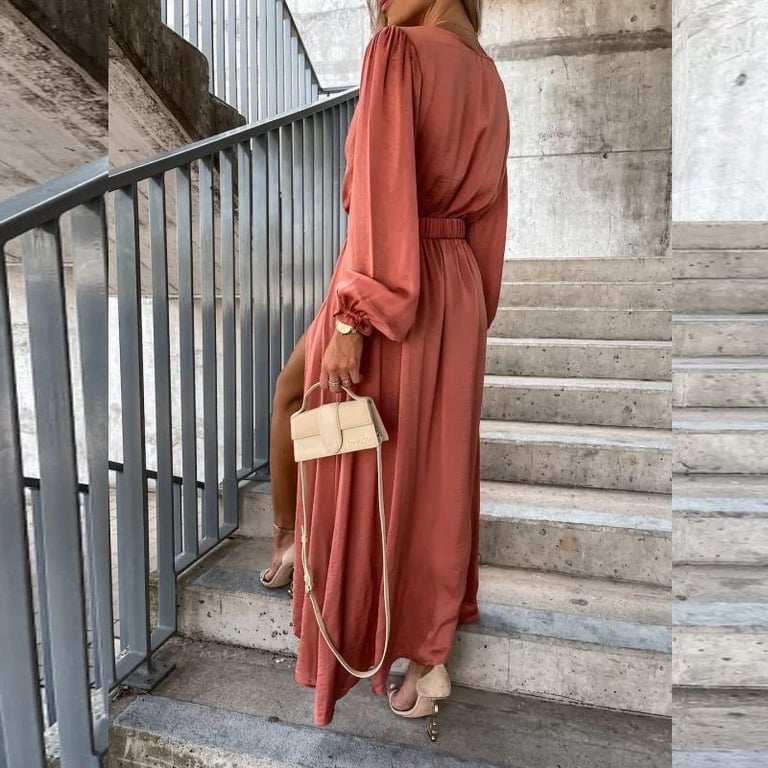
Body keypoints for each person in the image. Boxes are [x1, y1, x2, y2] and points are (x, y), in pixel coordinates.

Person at [259, 0, 510, 734]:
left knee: (362, 458)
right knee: (434, 474)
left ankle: (327, 583)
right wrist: (469, 311)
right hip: (456, 284)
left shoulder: (399, 50)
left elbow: (380, 196)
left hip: (392, 283)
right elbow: (491, 214)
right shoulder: (486, 72)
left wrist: (353, 316)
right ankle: (429, 659)